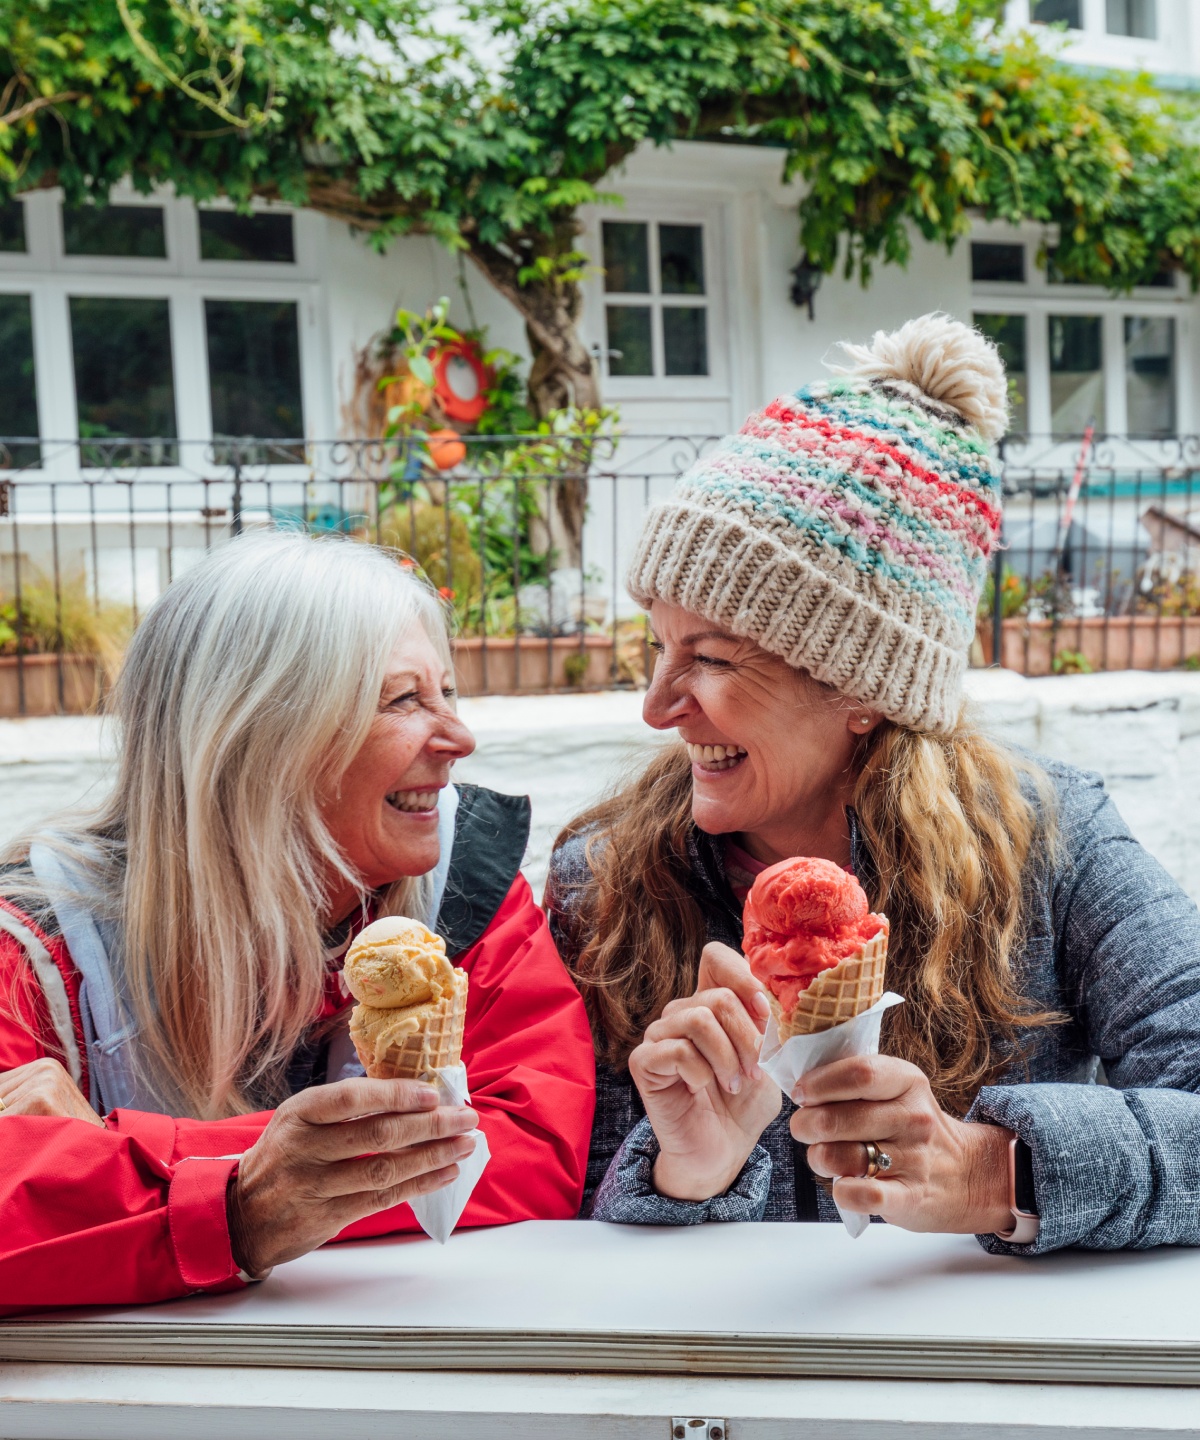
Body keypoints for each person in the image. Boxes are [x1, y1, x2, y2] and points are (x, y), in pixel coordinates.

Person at [548, 313, 1200, 1254]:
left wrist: (990, 1170)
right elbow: (553, 1229)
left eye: (713, 659)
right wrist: (688, 1171)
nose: (656, 707)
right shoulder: (603, 876)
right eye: (657, 645)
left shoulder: (1050, 840)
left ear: (862, 687)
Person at [0, 532, 594, 1314]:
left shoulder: (459, 882)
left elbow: (533, 1147)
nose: (459, 739)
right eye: (404, 699)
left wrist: (139, 1160)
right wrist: (242, 1201)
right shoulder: (36, 950)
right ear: (258, 742)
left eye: (447, 692)